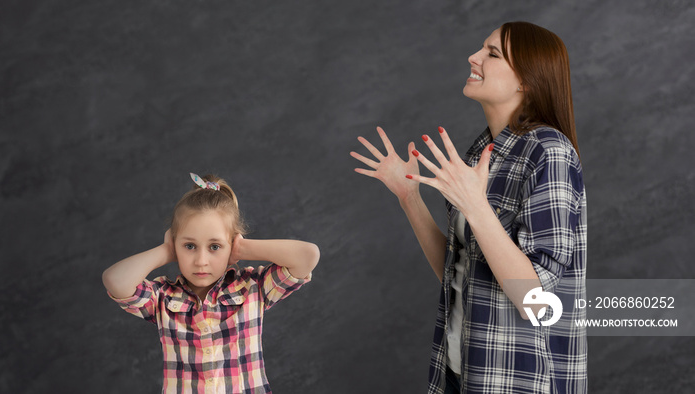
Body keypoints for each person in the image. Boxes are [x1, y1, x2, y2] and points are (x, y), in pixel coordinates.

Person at [351, 21, 586, 393]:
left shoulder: (548, 152)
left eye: (492, 53)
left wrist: (476, 207)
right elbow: (458, 271)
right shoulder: (480, 154)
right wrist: (409, 198)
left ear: (526, 80)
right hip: (463, 372)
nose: (473, 57)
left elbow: (537, 302)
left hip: (517, 381)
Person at [102, 173, 319, 394]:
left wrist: (243, 249)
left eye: (215, 246)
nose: (201, 261)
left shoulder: (253, 287)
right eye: (189, 246)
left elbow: (308, 256)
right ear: (175, 244)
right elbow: (115, 280)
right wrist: (164, 252)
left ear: (231, 244)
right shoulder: (162, 297)